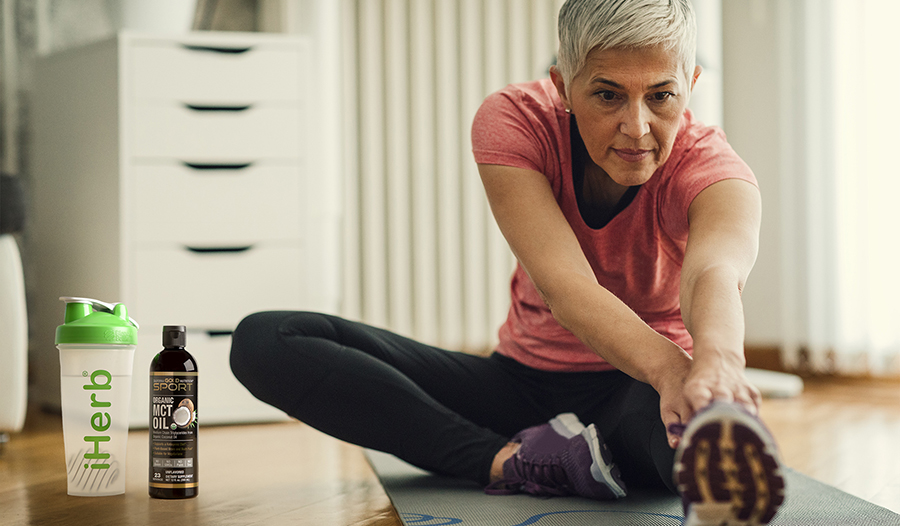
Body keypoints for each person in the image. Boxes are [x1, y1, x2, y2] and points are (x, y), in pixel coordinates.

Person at [230, 0, 785, 524]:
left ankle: (704, 470)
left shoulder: (714, 169)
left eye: (660, 96)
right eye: (608, 95)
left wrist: (716, 365)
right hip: (521, 389)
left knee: (683, 434)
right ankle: (515, 461)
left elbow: (714, 273)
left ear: (689, 86)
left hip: (636, 394)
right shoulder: (517, 121)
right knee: (265, 341)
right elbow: (567, 290)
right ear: (563, 86)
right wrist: (676, 370)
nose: (636, 127)